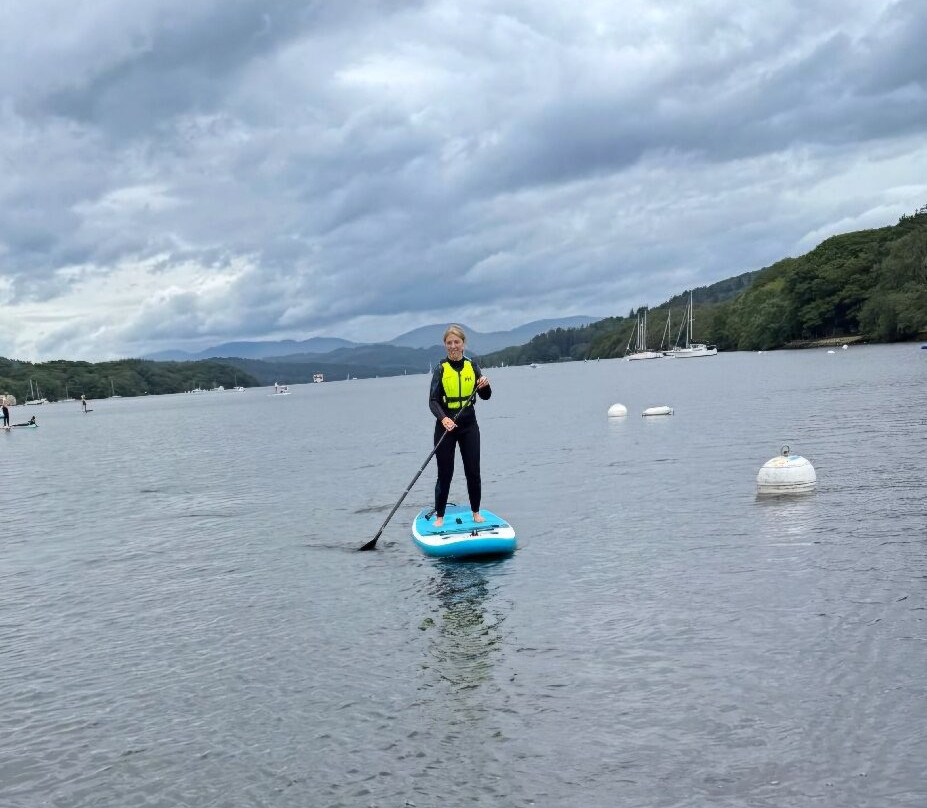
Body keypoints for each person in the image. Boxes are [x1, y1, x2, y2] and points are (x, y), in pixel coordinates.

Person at [428, 325, 492, 528]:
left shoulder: (472, 366)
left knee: (473, 471)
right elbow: (433, 400)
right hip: (446, 428)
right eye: (449, 343)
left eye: (457, 342)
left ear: (463, 344)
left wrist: (486, 385)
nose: (453, 346)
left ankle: (476, 512)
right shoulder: (440, 369)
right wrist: (443, 419)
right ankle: (440, 516)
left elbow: (485, 396)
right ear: (445, 345)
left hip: (469, 426)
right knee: (445, 473)